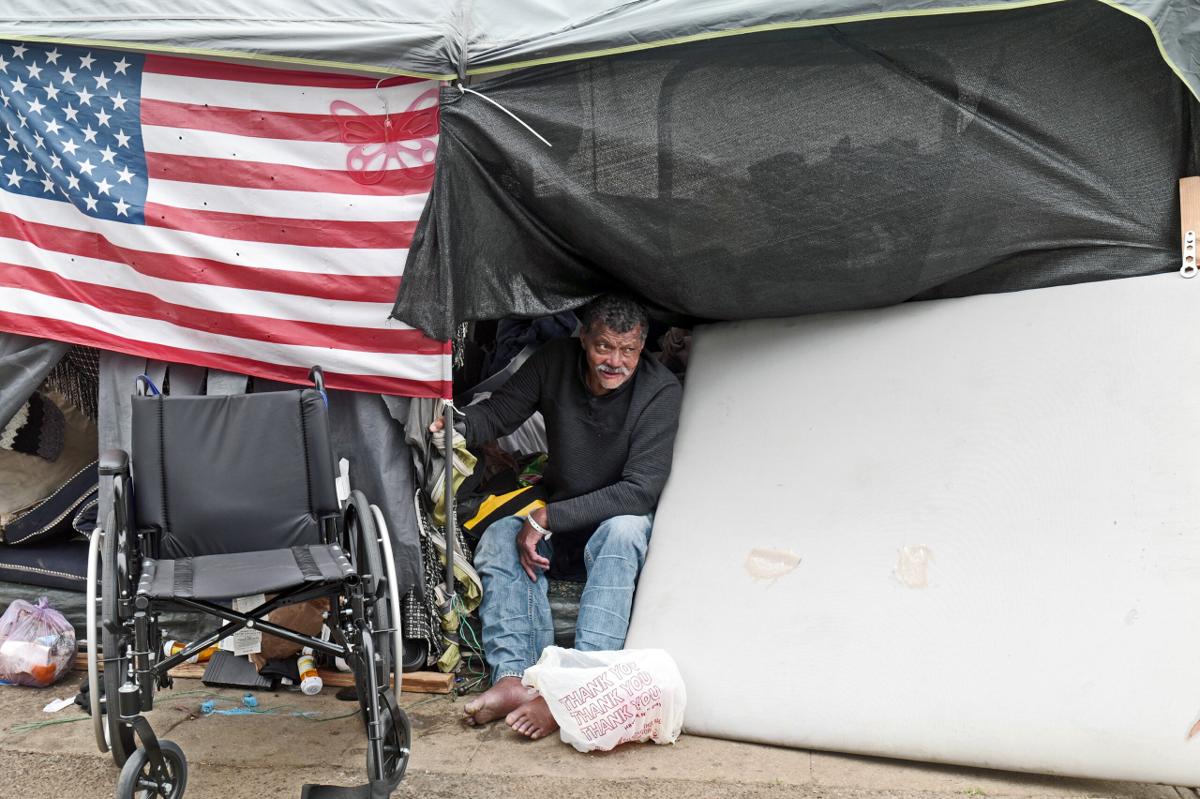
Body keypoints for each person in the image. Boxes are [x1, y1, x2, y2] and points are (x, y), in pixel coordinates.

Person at [431, 294, 683, 739]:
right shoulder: (555, 361)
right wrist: (456, 425)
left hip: (609, 521)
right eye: (604, 346)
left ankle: (574, 688)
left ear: (642, 347)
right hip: (559, 515)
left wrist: (547, 516)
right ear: (583, 338)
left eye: (627, 350)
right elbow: (500, 414)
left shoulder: (659, 391)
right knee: (498, 535)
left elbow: (640, 489)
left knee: (625, 531)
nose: (615, 362)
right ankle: (516, 679)